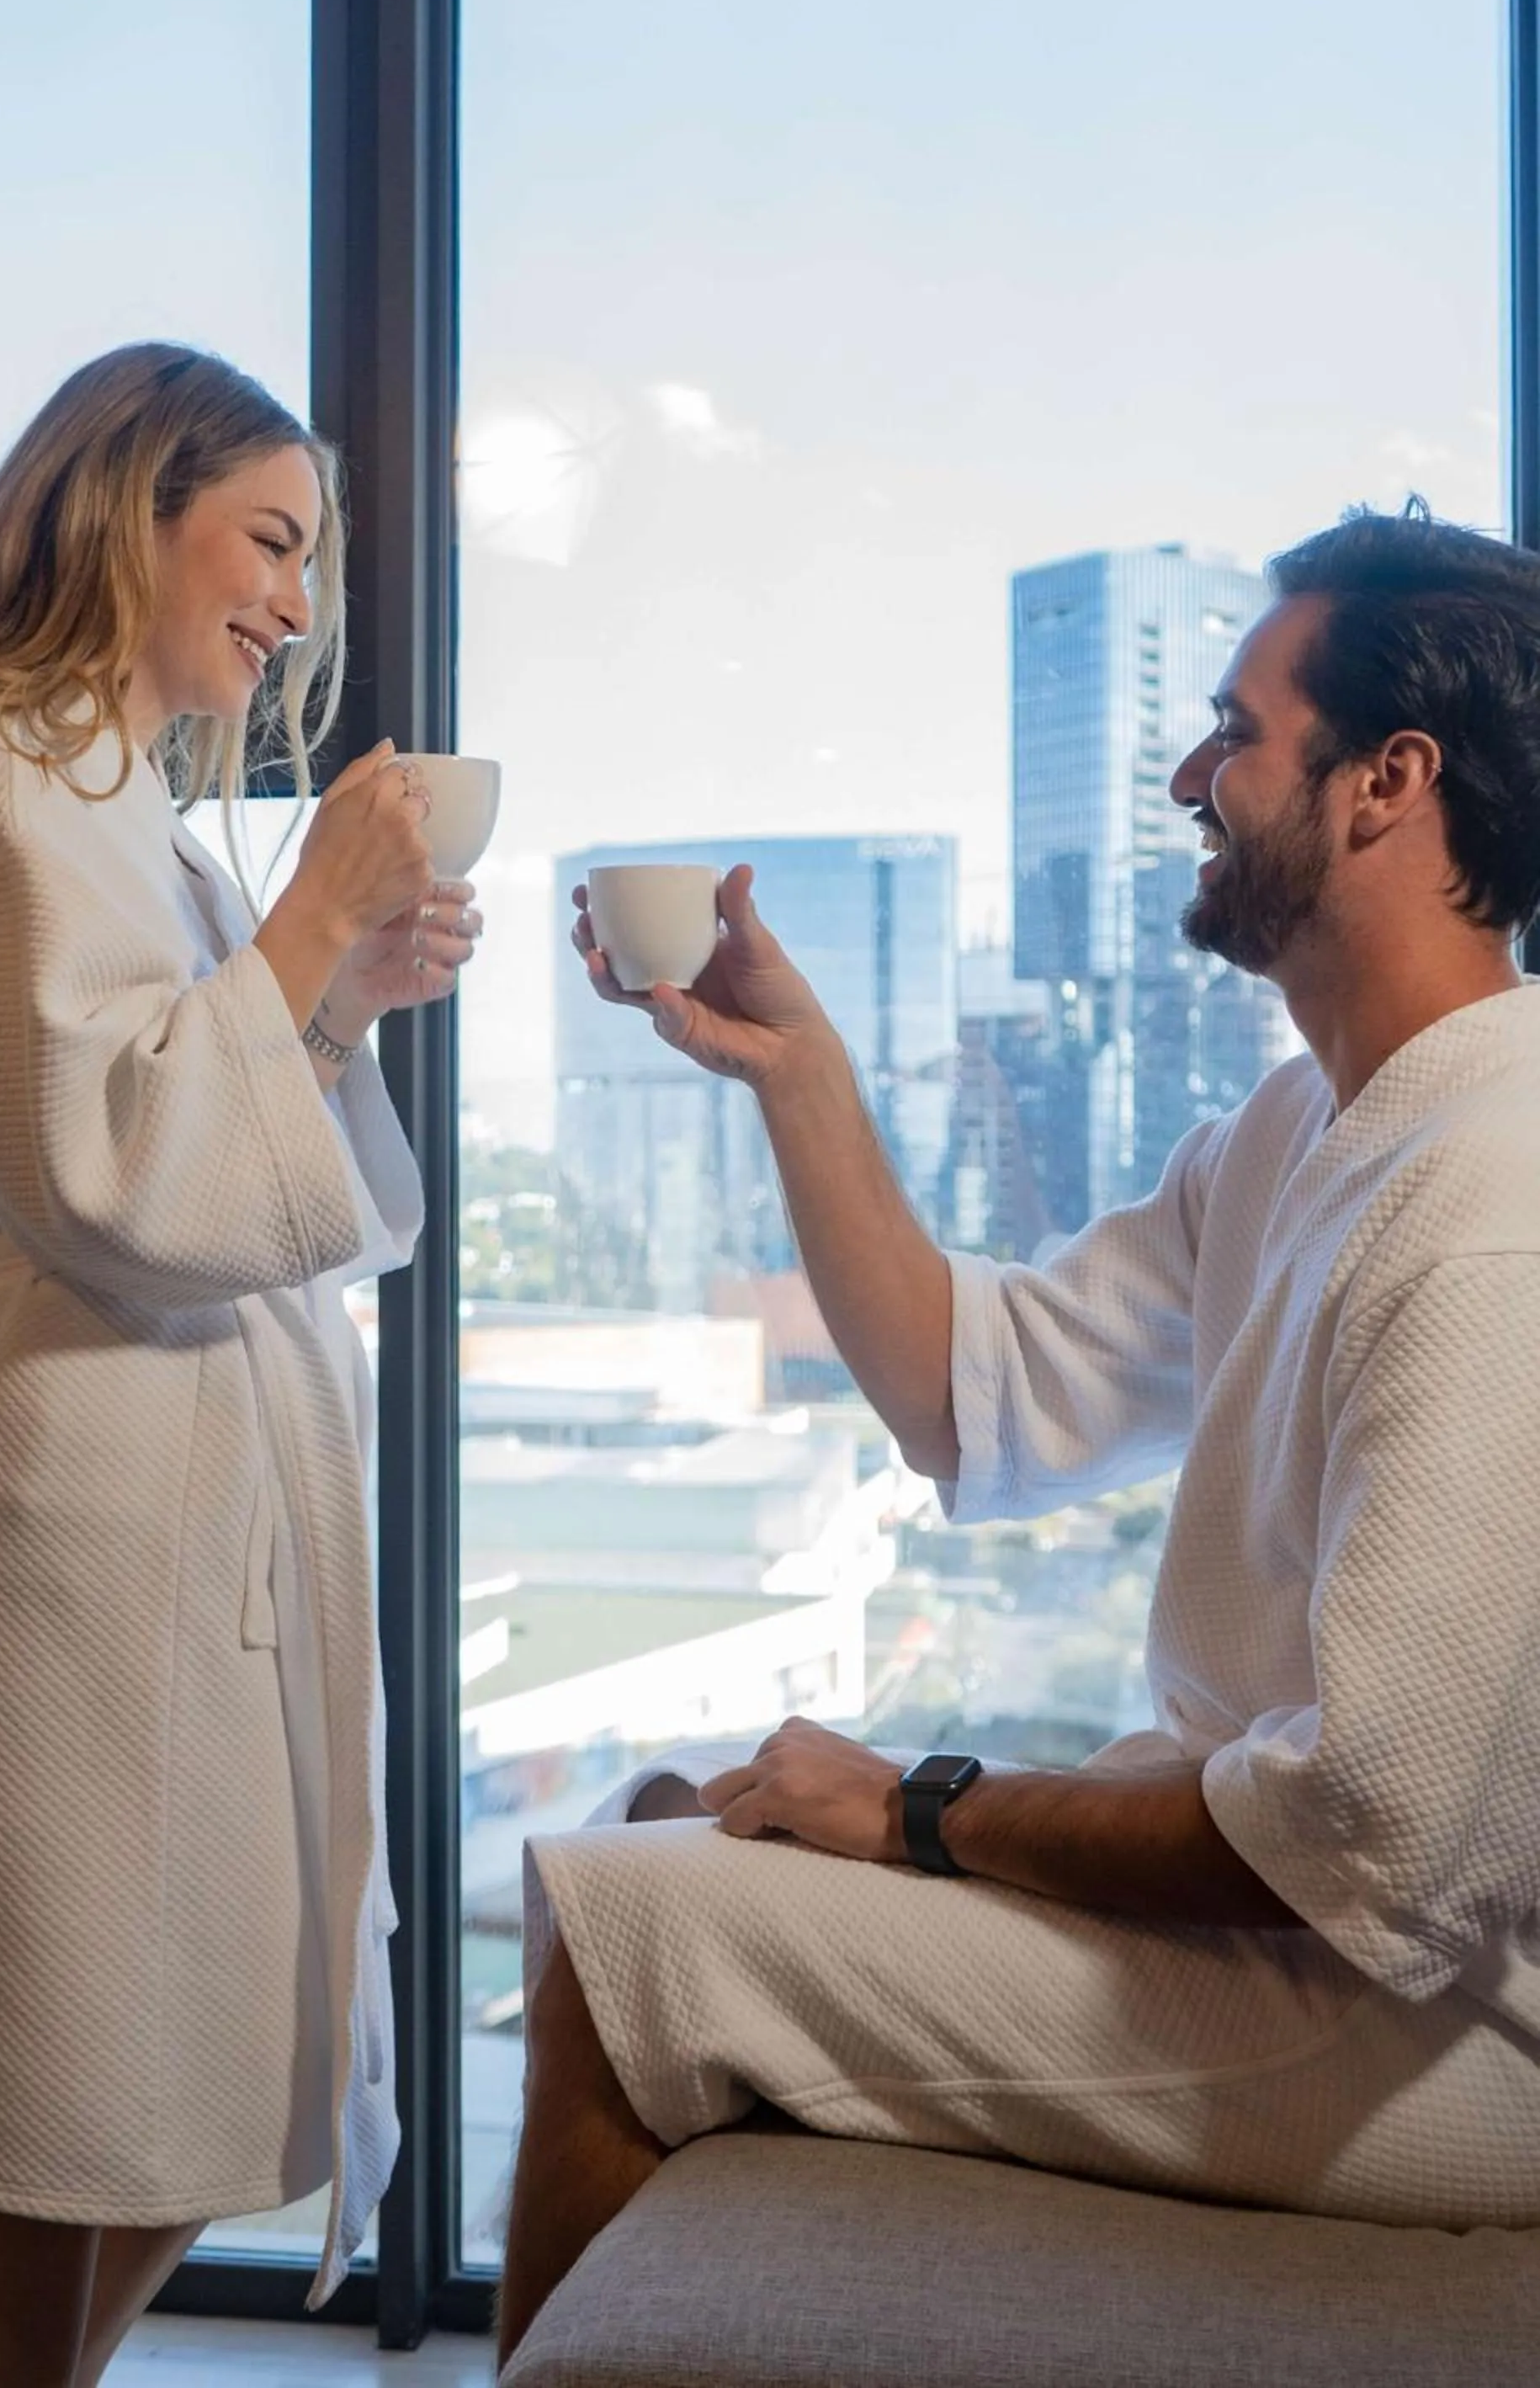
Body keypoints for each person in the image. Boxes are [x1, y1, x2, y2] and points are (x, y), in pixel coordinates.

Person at [497, 503, 1540, 2362]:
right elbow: (968, 1387)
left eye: (1234, 732)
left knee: (626, 1920)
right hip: (1295, 1932)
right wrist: (799, 1074)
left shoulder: (1491, 1200)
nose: (1188, 778)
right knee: (675, 1810)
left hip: (1430, 2023)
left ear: (1389, 782)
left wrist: (923, 1809)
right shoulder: (1297, 1137)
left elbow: (1371, 1840)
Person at [0, 343, 481, 2387]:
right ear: (134, 511)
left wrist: (335, 995)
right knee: (66, 2131)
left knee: (191, 2097)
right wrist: (307, 928)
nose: (297, 603)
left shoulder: (127, 810)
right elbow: (111, 1171)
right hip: (91, 1536)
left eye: (313, 564)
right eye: (270, 542)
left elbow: (211, 1131)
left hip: (195, 1517)